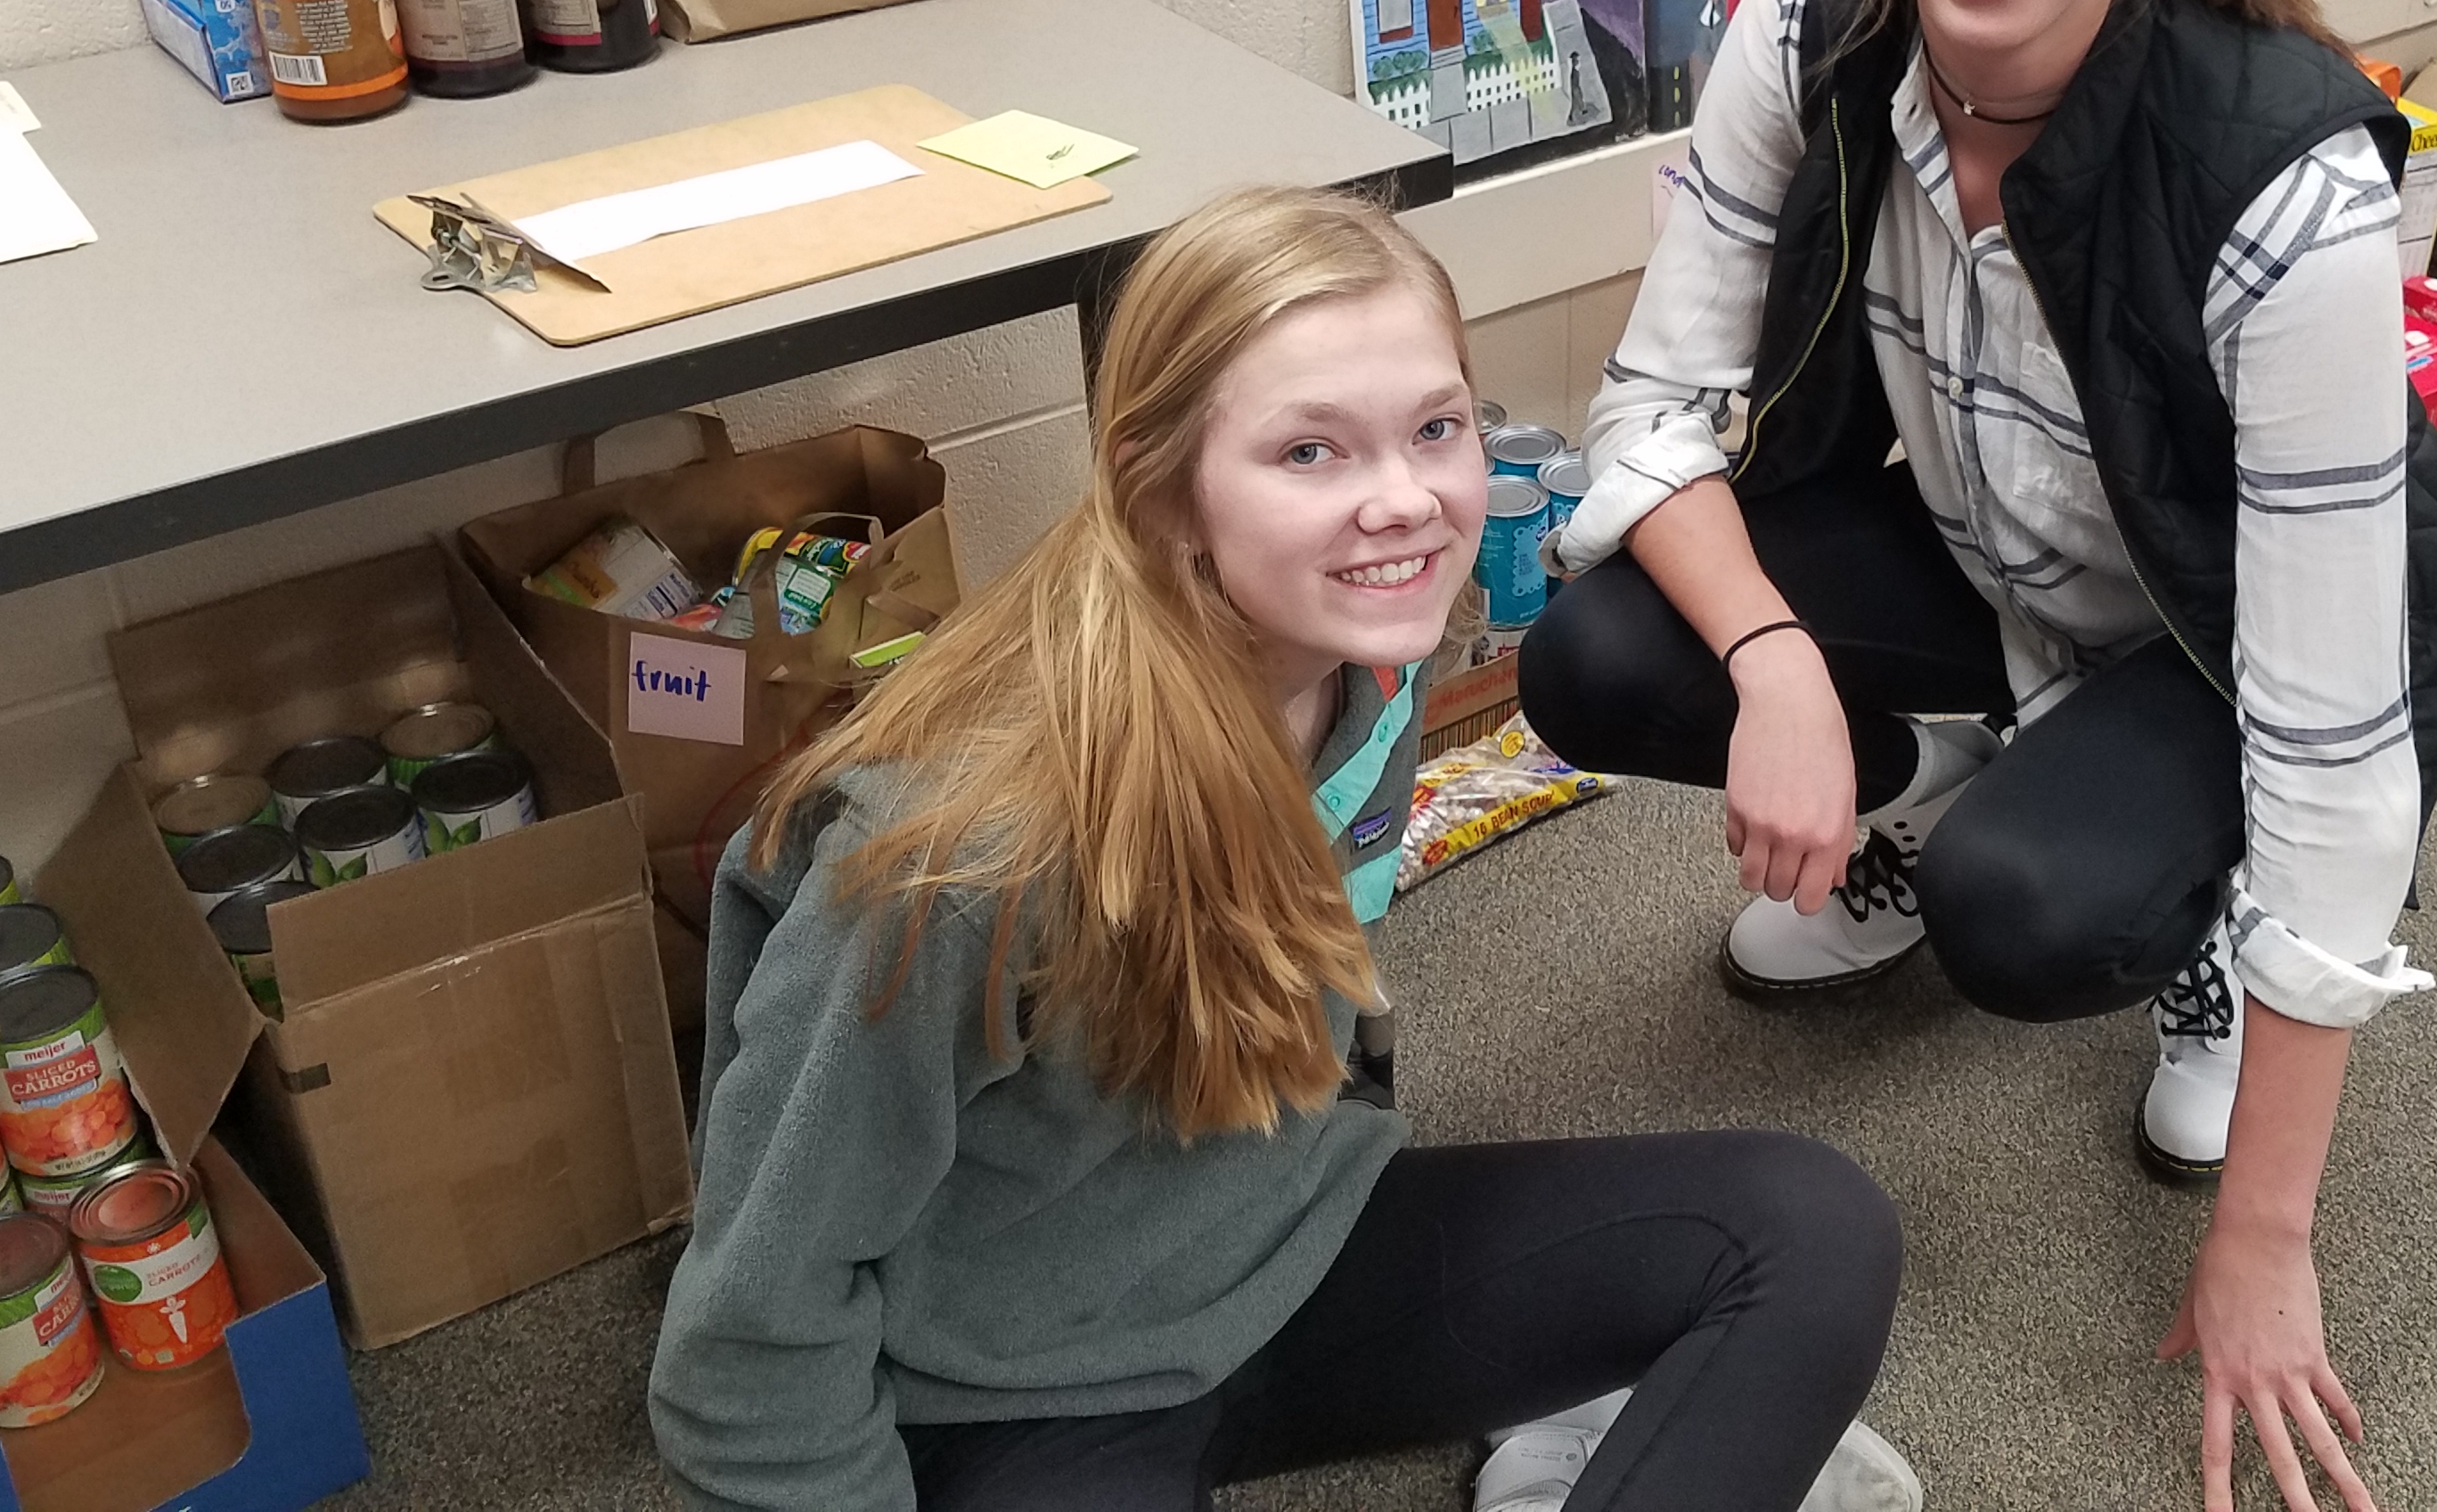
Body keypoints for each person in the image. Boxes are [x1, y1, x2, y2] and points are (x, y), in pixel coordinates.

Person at [1517, 0, 2437, 1512]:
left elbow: (2330, 736)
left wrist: (2269, 1237)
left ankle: (2179, 916)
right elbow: (1648, 410)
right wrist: (1781, 671)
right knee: (1604, 653)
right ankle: (1930, 792)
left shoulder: (2284, 178)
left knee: (2033, 916)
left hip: (2227, 633)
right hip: (1996, 550)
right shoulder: (1809, 24)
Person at [649, 187, 1924, 1512]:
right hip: (1016, 1384)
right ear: (1163, 489)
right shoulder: (966, 857)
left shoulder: (1370, 655)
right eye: (1311, 451)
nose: (1405, 502)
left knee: (1811, 1230)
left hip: (1289, 1237)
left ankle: (1562, 1446)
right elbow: (745, 1347)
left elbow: (1306, 979)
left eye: (1435, 429)